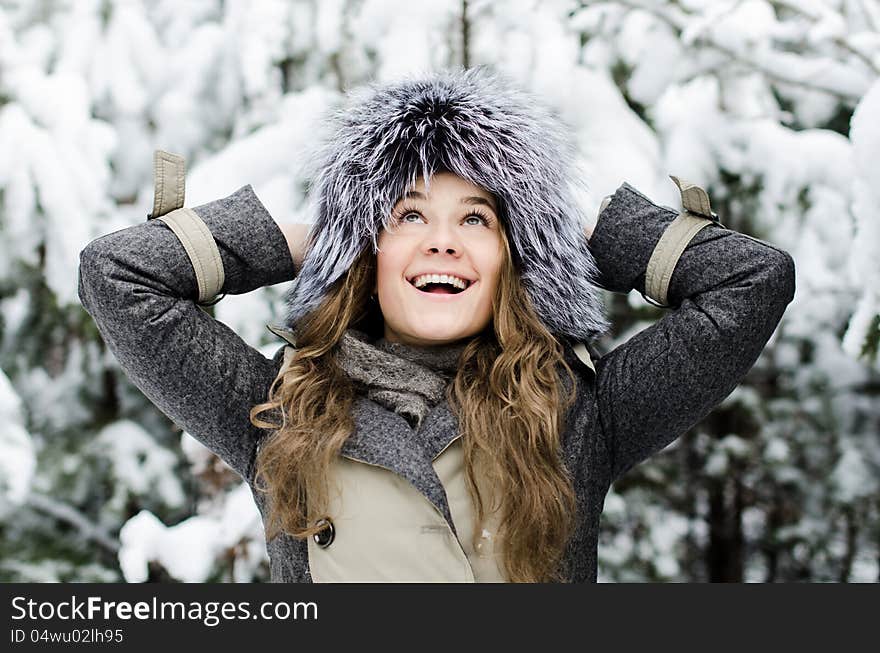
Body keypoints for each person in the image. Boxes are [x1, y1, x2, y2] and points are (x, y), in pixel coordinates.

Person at [77, 66, 795, 583]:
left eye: (477, 218)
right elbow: (117, 275)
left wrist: (567, 231)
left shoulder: (579, 412)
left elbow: (751, 281)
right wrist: (315, 238)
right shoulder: (277, 408)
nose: (443, 241)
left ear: (512, 256)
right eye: (409, 215)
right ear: (370, 249)